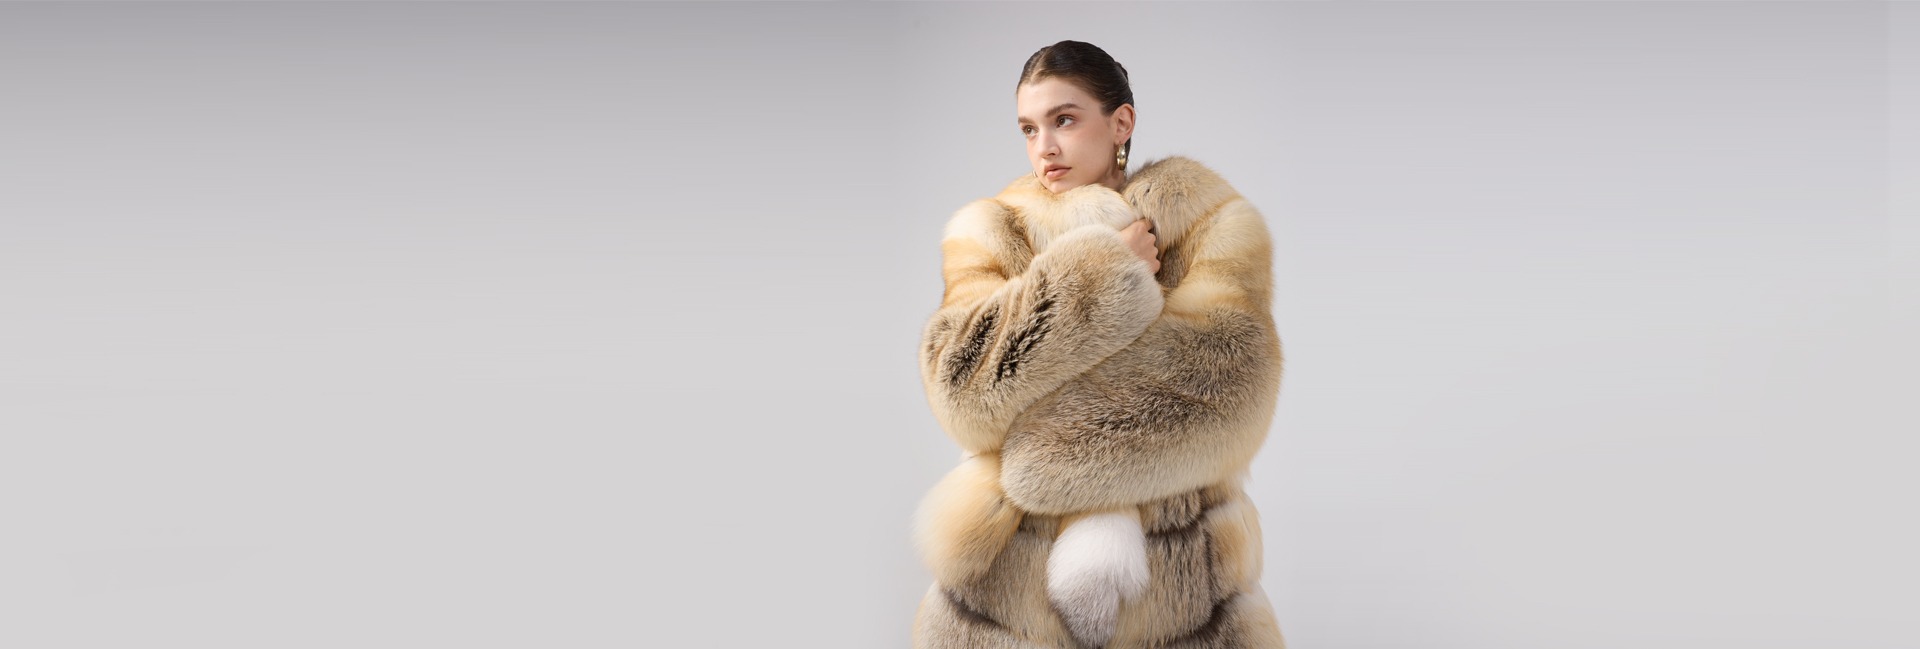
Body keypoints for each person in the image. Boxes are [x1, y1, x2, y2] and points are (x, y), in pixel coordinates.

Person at [911, 40, 1288, 648]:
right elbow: (962, 392)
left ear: (1121, 123)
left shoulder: (1209, 223)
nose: (1044, 147)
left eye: (1064, 120)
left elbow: (1230, 388)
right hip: (1008, 591)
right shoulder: (991, 231)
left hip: (1180, 588)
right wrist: (1103, 274)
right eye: (1028, 128)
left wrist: (1035, 451)